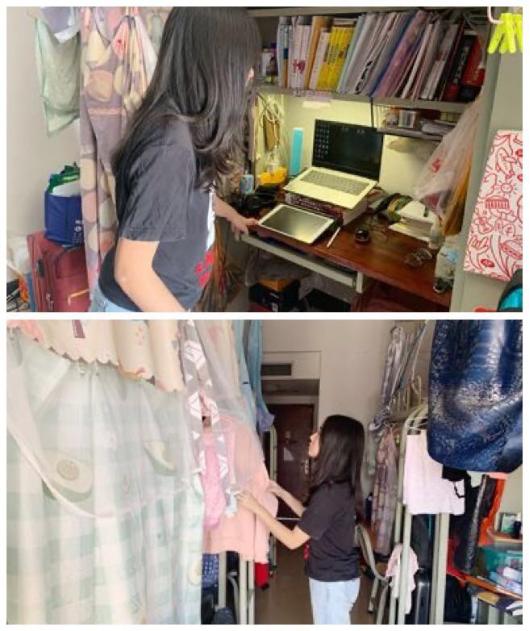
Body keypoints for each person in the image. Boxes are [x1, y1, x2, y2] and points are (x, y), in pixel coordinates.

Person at [91, 8, 261, 313]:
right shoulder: (170, 146)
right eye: (244, 62)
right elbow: (131, 272)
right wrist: (183, 326)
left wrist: (231, 214)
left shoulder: (186, 125)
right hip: (136, 312)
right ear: (215, 65)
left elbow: (194, 197)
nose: (250, 74)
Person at [239, 415, 365, 625]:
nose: (312, 436)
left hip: (332, 582)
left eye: (320, 433)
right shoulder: (338, 487)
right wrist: (281, 492)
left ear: (334, 446)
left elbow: (292, 540)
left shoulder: (330, 494)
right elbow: (311, 518)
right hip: (336, 577)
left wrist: (255, 507)